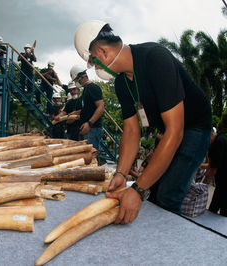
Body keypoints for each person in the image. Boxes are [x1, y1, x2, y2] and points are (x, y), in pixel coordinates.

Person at [74, 20, 212, 223]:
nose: (96, 66)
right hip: (171, 130)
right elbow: (131, 131)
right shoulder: (122, 83)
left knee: (168, 195)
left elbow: (176, 131)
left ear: (102, 52)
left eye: (94, 61)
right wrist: (121, 173)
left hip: (195, 127)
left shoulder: (154, 57)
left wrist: (137, 190)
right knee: (154, 193)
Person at [70, 65, 104, 152]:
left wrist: (89, 123)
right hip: (88, 128)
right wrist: (76, 112)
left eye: (76, 80)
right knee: (86, 156)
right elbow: (88, 108)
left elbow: (101, 107)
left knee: (91, 156)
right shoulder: (86, 90)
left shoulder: (92, 88)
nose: (76, 83)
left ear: (81, 77)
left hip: (93, 128)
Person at [203, 128, 227, 216]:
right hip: (222, 178)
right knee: (218, 196)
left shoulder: (219, 142)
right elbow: (210, 164)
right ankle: (212, 213)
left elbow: (213, 167)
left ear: (211, 134)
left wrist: (203, 185)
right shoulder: (217, 141)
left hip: (224, 177)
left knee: (223, 201)